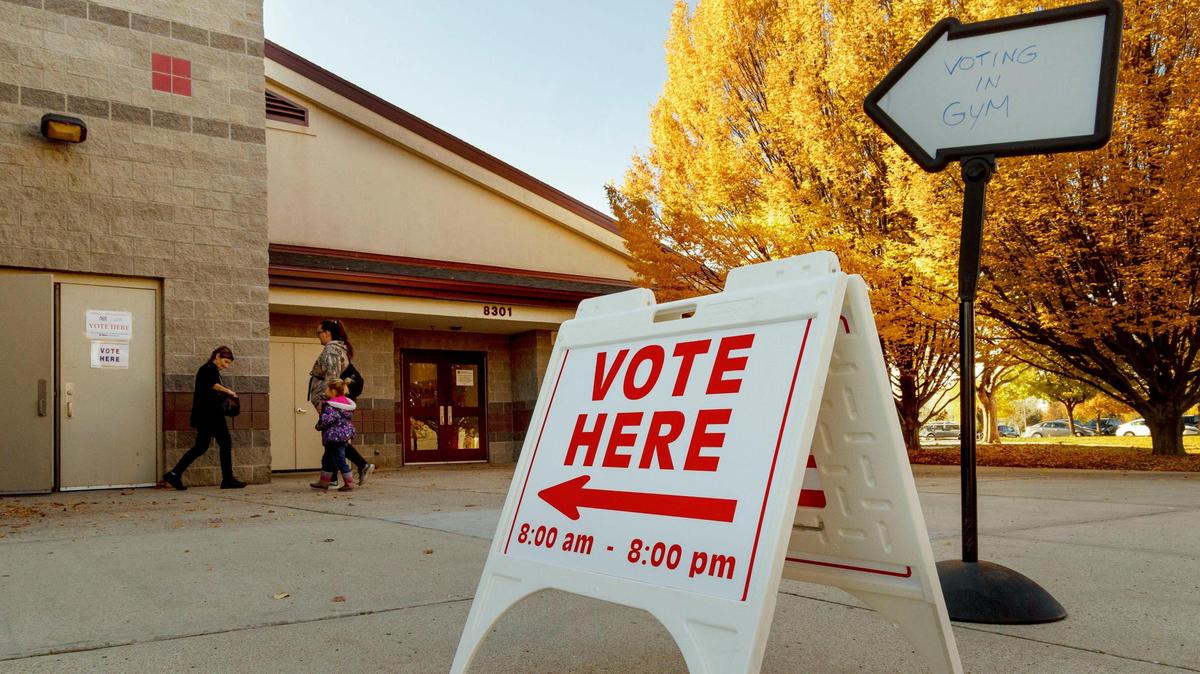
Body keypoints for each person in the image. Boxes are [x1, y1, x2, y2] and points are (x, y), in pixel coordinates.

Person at [161, 346, 246, 490]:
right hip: (210, 415)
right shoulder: (208, 369)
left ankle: (174, 474)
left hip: (207, 416)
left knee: (200, 447)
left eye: (228, 363)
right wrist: (229, 391)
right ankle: (227, 479)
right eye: (225, 362)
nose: (226, 366)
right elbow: (212, 385)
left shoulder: (211, 370)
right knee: (224, 443)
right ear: (217, 356)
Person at [308, 320, 375, 485]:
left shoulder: (332, 350)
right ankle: (331, 478)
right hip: (334, 401)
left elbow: (332, 376)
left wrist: (326, 401)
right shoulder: (338, 348)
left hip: (331, 402)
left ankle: (358, 467)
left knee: (335, 440)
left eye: (319, 333)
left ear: (327, 332)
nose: (318, 336)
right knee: (333, 440)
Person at [310, 378, 357, 492]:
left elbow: (326, 420)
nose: (325, 390)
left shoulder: (332, 406)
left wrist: (318, 426)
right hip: (342, 436)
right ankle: (324, 481)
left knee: (339, 459)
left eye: (327, 388)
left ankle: (349, 482)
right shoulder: (345, 404)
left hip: (334, 437)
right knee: (327, 458)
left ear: (333, 391)